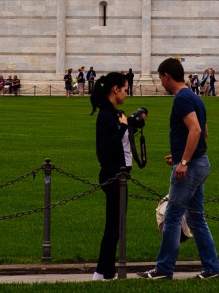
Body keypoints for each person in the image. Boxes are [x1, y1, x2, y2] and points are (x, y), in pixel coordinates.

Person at [138, 57, 219, 280]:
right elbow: (205, 132)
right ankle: (211, 269)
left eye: (160, 78)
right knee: (195, 219)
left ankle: (163, 270)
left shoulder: (181, 99)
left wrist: (183, 162)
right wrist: (179, 154)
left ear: (167, 76)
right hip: (200, 162)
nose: (160, 82)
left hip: (191, 166)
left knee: (172, 218)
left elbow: (195, 131)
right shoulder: (195, 97)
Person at [91, 71, 140, 281]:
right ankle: (102, 272)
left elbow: (118, 143)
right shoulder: (106, 115)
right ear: (115, 89)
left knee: (115, 226)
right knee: (113, 227)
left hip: (117, 176)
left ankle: (104, 272)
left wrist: (129, 128)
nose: (127, 94)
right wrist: (123, 128)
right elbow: (105, 147)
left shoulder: (113, 113)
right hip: (113, 176)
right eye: (125, 90)